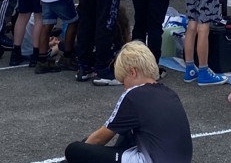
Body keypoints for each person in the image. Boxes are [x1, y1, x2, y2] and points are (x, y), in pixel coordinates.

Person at [65, 41, 193, 163]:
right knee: (126, 130)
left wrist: (83, 153)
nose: (124, 87)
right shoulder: (170, 93)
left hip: (150, 159)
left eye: (123, 82)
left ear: (132, 72)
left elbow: (100, 137)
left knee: (74, 149)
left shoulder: (133, 94)